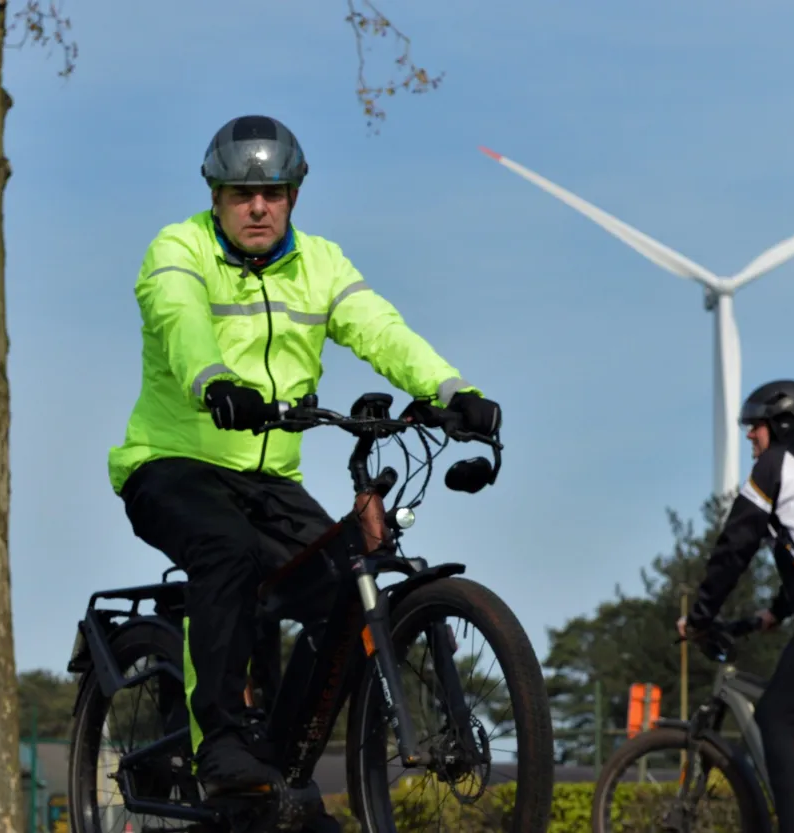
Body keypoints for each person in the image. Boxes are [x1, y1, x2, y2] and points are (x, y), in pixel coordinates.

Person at [107, 114, 502, 814]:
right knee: (224, 550)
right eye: (240, 193)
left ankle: (280, 765)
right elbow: (178, 320)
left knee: (345, 592)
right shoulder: (178, 248)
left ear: (294, 195)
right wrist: (214, 382)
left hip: (270, 480)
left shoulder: (321, 263)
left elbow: (380, 328)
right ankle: (222, 742)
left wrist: (450, 390)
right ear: (216, 196)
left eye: (273, 192)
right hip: (172, 461)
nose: (258, 207)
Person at [679, 379, 794, 833]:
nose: (750, 440)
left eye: (753, 429)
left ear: (778, 425)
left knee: (777, 716)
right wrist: (775, 612)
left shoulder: (775, 467)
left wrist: (700, 617)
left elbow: (736, 545)